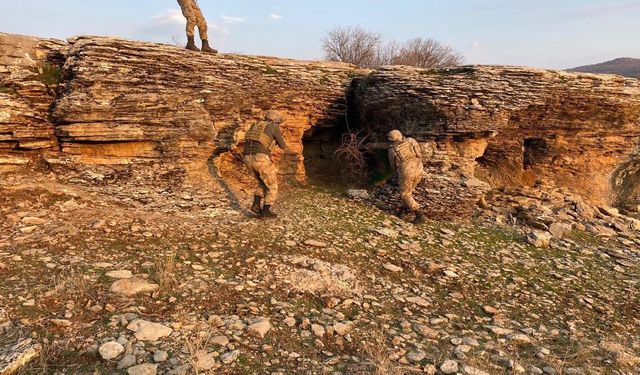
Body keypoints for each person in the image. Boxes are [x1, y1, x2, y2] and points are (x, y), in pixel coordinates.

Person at [243, 111, 289, 218]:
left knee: (263, 182)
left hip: (247, 158)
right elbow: (283, 146)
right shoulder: (273, 127)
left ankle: (256, 204)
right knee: (272, 185)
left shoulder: (255, 125)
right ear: (276, 119)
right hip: (260, 159)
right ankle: (266, 211)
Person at [388, 130, 426, 224]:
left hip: (407, 171)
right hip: (419, 167)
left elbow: (393, 166)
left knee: (405, 194)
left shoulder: (392, 150)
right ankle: (402, 211)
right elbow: (419, 154)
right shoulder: (411, 140)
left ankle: (419, 214)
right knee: (409, 191)